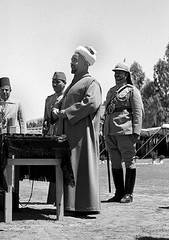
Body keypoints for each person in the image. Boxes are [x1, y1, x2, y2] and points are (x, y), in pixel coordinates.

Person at [53, 45, 102, 215]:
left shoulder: (91, 82)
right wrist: (57, 108)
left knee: (80, 167)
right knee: (69, 166)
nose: (71, 63)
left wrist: (66, 113)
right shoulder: (73, 84)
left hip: (81, 135)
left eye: (74, 60)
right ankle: (68, 204)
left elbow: (91, 103)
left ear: (84, 62)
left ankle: (84, 205)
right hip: (68, 133)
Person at [104, 62, 144, 203]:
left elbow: (138, 112)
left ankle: (128, 194)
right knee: (115, 162)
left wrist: (136, 131)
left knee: (129, 160)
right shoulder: (110, 91)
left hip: (125, 130)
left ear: (126, 75)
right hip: (110, 131)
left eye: (120, 72)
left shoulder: (132, 91)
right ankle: (119, 192)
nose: (117, 75)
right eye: (115, 72)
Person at [42, 72, 66, 204]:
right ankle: (52, 198)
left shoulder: (68, 97)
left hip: (63, 133)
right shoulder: (49, 99)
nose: (55, 84)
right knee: (52, 166)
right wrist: (44, 130)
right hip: (52, 134)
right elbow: (46, 118)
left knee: (63, 166)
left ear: (64, 82)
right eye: (53, 81)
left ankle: (62, 198)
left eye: (58, 81)